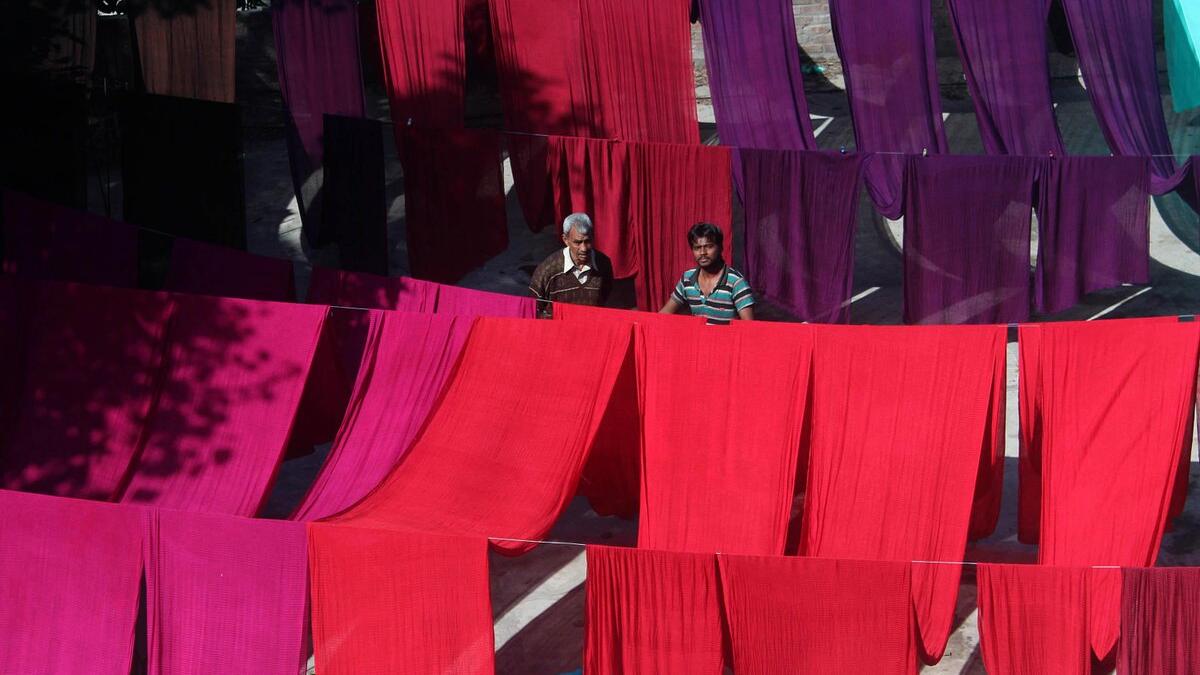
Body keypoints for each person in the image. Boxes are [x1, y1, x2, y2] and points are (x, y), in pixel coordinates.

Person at [659, 222, 755, 324]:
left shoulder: (736, 283)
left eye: (709, 246)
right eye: (697, 248)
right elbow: (664, 314)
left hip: (726, 340)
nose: (702, 252)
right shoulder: (687, 279)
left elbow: (749, 329)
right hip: (698, 339)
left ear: (720, 248)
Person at [529, 213, 614, 318]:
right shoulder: (548, 270)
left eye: (587, 241)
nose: (583, 248)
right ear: (565, 240)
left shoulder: (603, 264)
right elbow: (533, 309)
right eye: (577, 243)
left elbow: (605, 296)